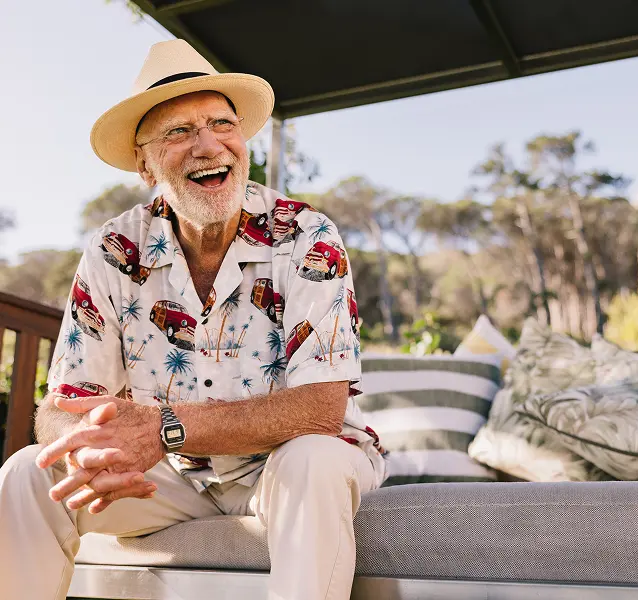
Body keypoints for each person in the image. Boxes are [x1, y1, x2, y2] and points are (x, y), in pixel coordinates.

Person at [0, 39, 386, 600]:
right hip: (176, 478)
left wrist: (162, 428)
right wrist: (87, 447)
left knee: (316, 460)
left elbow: (322, 410)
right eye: (179, 132)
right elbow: (63, 408)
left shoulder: (306, 236)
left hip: (282, 466)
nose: (209, 146)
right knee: (26, 474)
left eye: (221, 124)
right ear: (144, 162)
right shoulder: (113, 250)